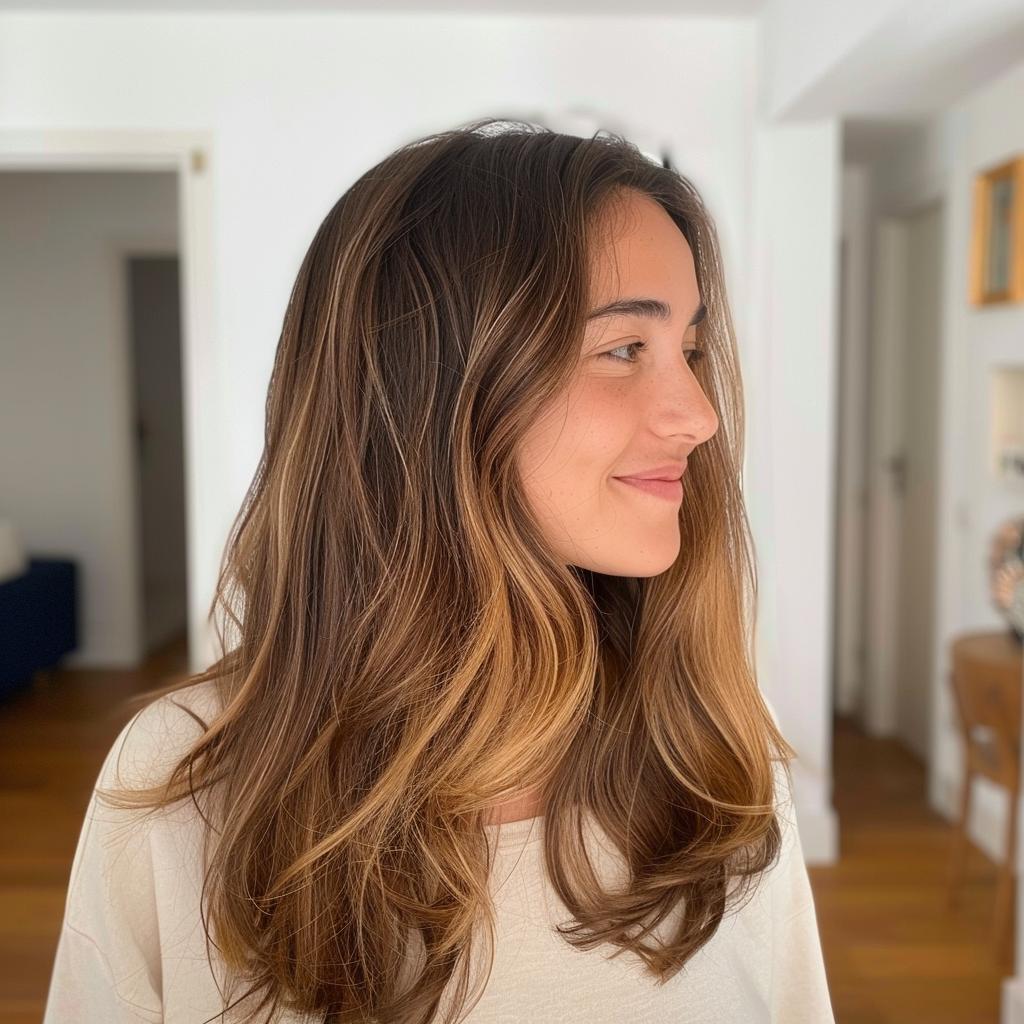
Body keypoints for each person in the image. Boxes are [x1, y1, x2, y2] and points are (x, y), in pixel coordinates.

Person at [43, 117, 836, 1023]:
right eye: (625, 349)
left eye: (690, 351)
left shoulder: (712, 742)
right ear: (431, 385)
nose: (699, 415)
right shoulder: (182, 783)